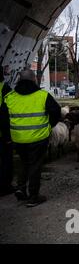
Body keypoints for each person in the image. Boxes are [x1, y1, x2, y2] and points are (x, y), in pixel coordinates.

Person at [0, 69, 61, 207]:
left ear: (19, 80)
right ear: (34, 79)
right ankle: (33, 196)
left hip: (19, 139)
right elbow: (56, 112)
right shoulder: (43, 96)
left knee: (24, 162)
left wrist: (8, 136)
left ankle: (21, 189)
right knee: (35, 165)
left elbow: (3, 119)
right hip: (39, 138)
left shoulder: (10, 97)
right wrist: (49, 126)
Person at [0, 66, 14, 196]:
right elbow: (6, 114)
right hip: (2, 135)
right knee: (5, 161)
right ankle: (5, 186)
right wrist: (8, 136)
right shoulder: (5, 89)